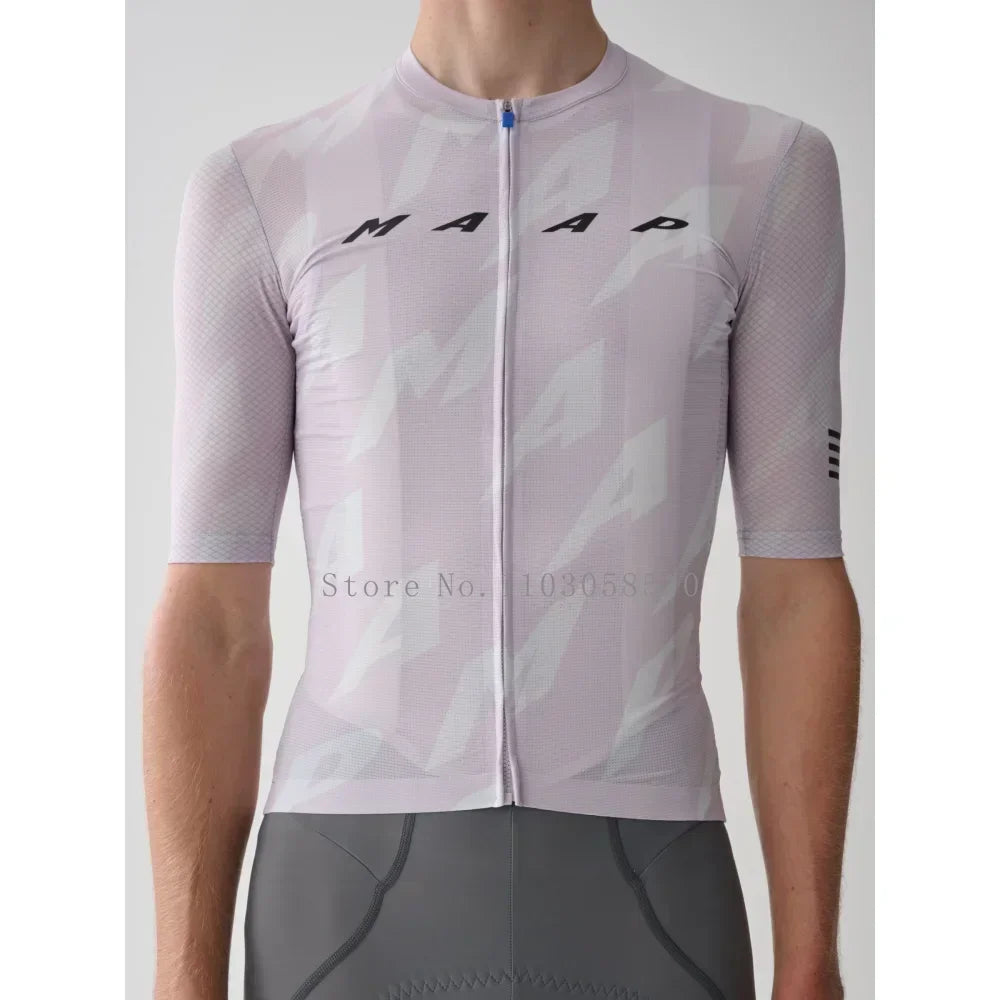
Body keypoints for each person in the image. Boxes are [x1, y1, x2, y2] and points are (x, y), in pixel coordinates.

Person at [142, 1, 861, 998]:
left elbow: (793, 591)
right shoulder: (264, 187)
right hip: (345, 891)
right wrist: (182, 974)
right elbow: (214, 614)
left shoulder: (761, 170)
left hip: (651, 880)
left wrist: (811, 959)